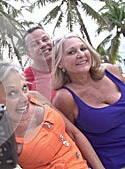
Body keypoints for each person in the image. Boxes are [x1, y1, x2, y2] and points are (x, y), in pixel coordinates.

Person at [0, 62, 104, 169]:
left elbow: (74, 133)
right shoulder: (3, 138)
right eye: (11, 93)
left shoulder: (36, 98)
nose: (24, 97)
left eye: (24, 88)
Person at [51, 33, 125, 169]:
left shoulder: (110, 71)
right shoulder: (64, 98)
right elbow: (72, 140)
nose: (80, 54)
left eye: (83, 49)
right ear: (60, 63)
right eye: (71, 52)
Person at [23, 26, 56, 101]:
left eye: (45, 39)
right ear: (29, 54)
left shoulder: (67, 65)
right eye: (35, 44)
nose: (43, 45)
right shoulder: (25, 80)